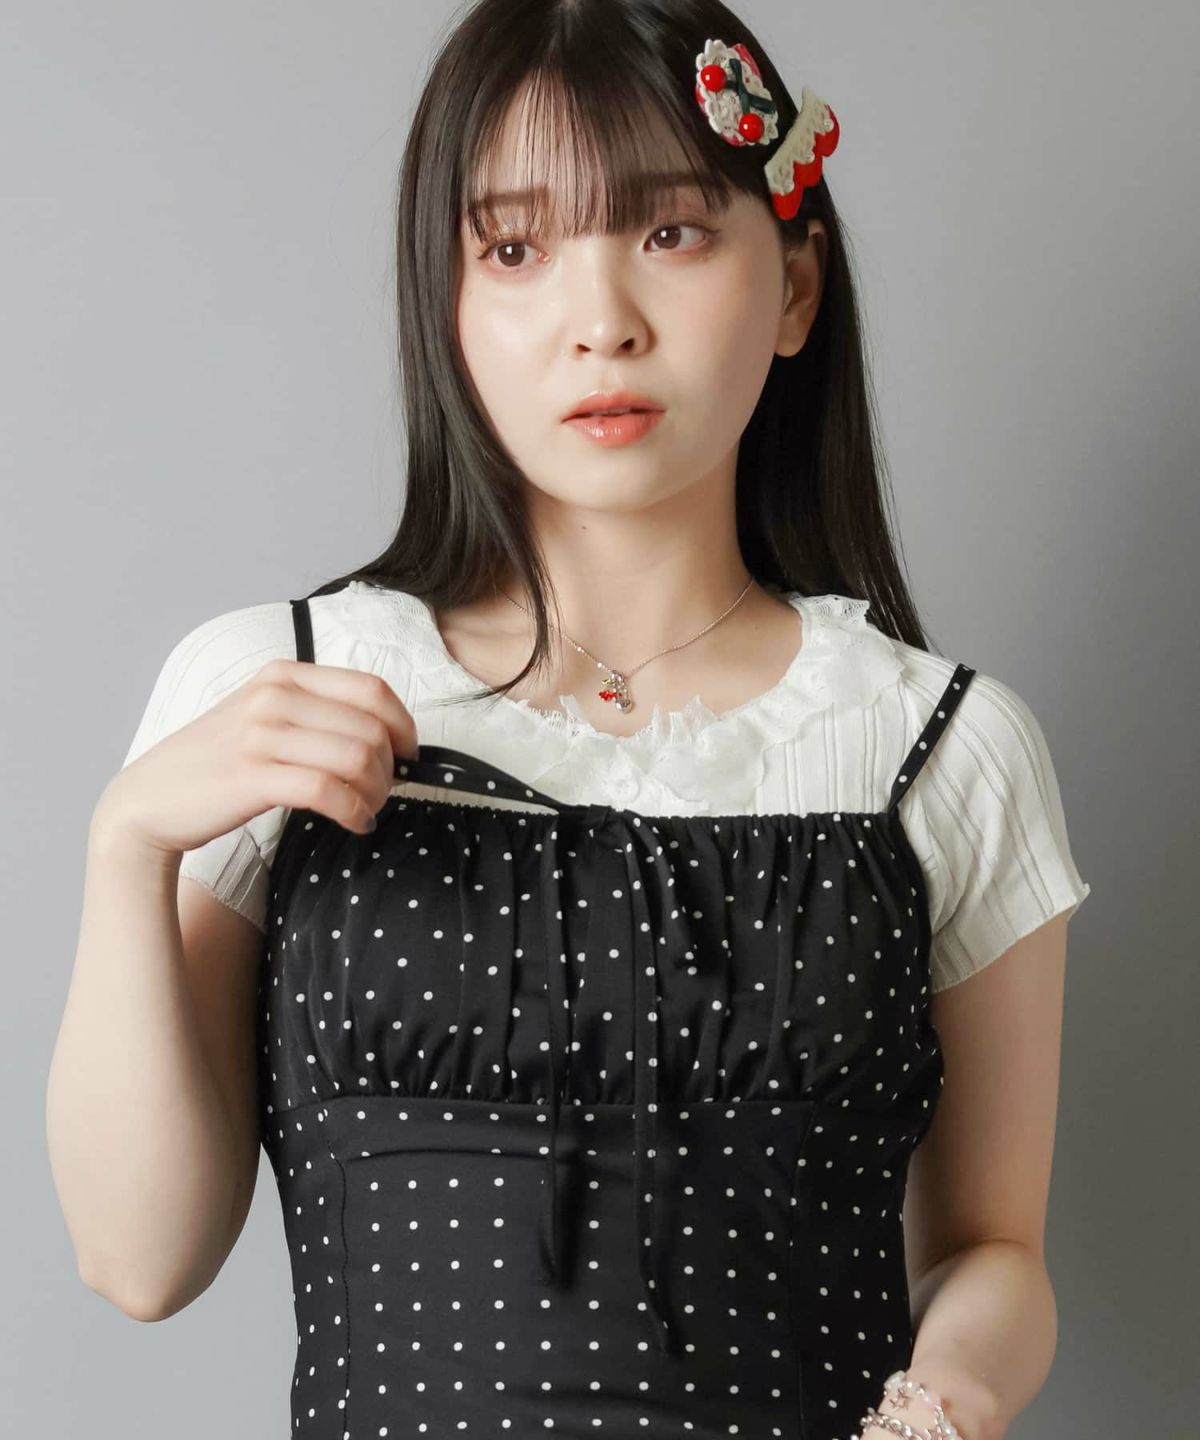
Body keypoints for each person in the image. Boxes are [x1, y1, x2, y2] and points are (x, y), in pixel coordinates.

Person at [47, 2, 1091, 1438]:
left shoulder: (942, 747)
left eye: (670, 232)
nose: (602, 321)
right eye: (515, 249)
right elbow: (138, 1260)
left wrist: (941, 1411)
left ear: (794, 288)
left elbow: (995, 1251)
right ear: (446, 302)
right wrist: (127, 846)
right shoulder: (277, 687)